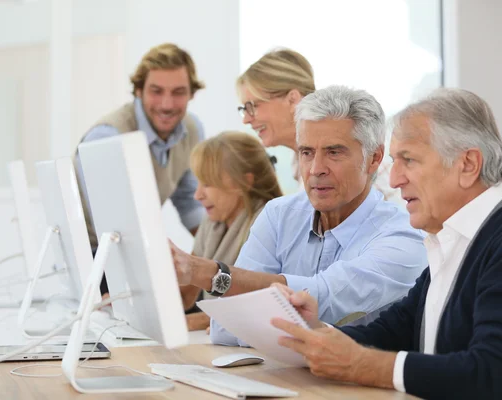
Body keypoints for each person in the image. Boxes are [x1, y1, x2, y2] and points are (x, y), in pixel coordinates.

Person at [271, 88, 502, 399]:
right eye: (394, 161)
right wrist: (316, 332)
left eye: (408, 160)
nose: (393, 179)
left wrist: (366, 366)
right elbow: (397, 330)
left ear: (468, 164)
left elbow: (490, 373)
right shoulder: (451, 239)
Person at [170, 85, 427, 345]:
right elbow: (228, 328)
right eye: (307, 152)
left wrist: (207, 273)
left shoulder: (404, 233)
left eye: (334, 152)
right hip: (277, 376)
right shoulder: (279, 215)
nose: (316, 169)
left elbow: (322, 298)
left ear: (374, 158)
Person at [74, 43, 206, 295]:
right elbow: (113, 226)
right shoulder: (108, 136)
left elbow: (190, 205)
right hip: (95, 259)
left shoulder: (192, 129)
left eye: (178, 92)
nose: (167, 104)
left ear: (191, 94)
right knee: (190, 297)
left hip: (135, 253)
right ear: (138, 91)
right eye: (156, 91)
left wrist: (219, 255)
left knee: (212, 290)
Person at [238, 49, 403, 205]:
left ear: (292, 100)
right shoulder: (297, 163)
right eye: (307, 153)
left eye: (252, 106)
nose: (246, 119)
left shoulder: (359, 157)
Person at [178, 131, 283, 331]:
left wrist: (189, 322)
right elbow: (185, 294)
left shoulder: (268, 223)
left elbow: (259, 305)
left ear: (245, 181)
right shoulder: (212, 222)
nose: (197, 195)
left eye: (207, 184)